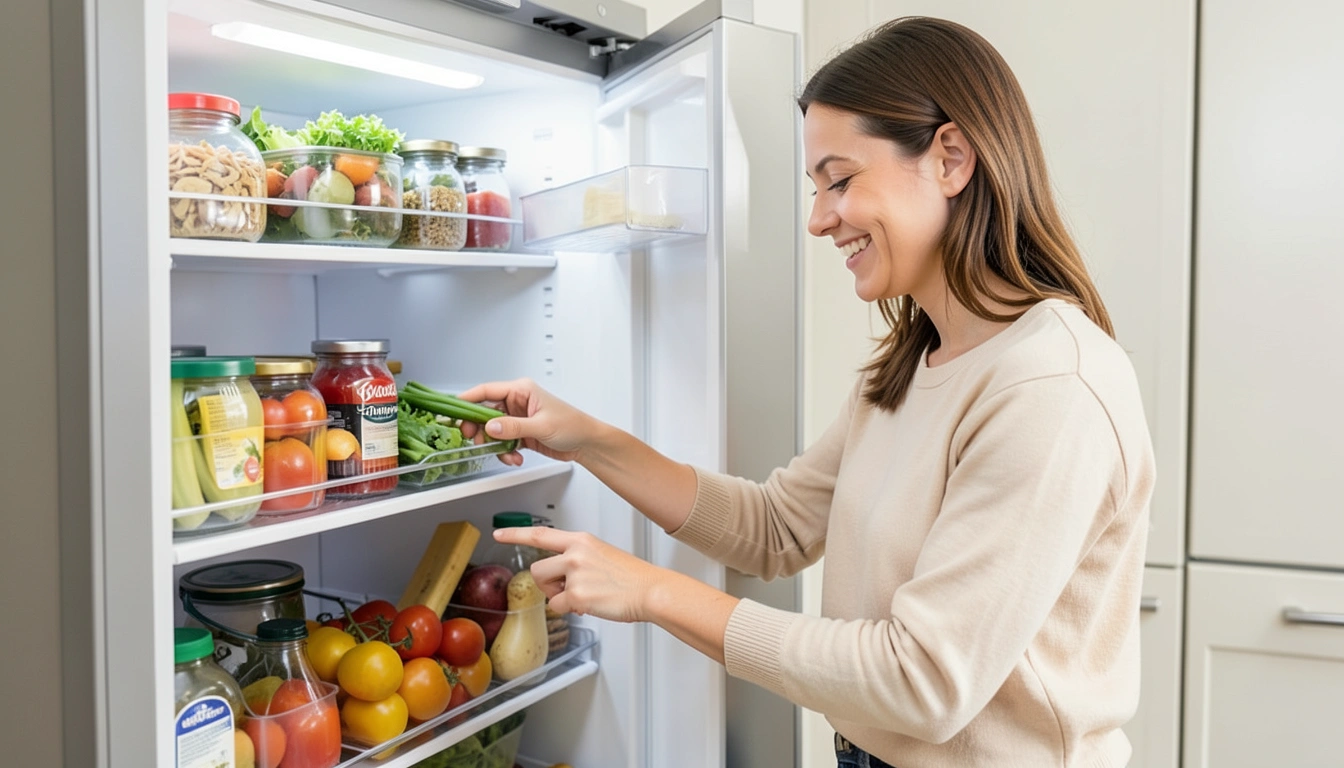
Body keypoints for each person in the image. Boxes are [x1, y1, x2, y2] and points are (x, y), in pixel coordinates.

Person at [459, 16, 1155, 768]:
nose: (821, 219)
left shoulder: (1050, 386)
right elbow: (774, 527)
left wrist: (654, 592)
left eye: (841, 180)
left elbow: (923, 681)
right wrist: (584, 437)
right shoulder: (910, 362)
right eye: (815, 187)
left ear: (951, 157)